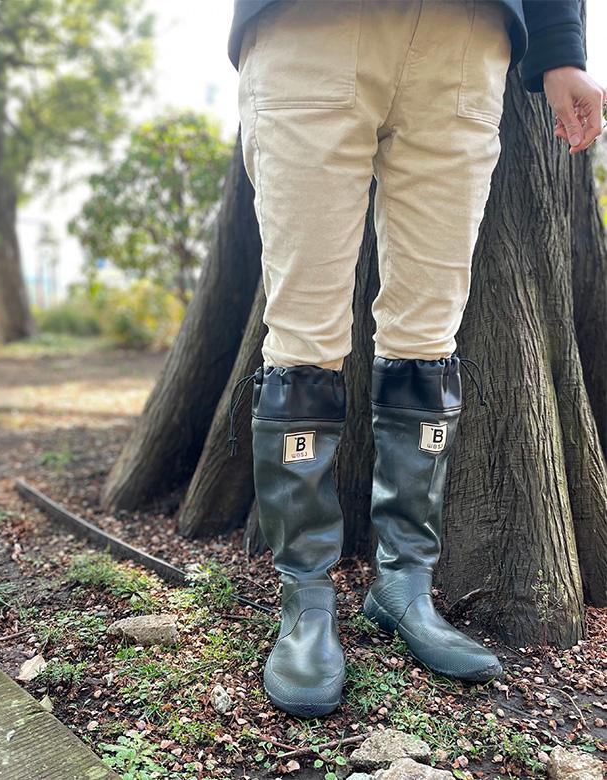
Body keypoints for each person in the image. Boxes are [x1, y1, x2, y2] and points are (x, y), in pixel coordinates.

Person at [227, 0, 605, 718]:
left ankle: (404, 584)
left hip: (466, 40)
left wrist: (561, 48)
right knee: (303, 336)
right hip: (309, 29)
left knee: (429, 337)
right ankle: (305, 598)